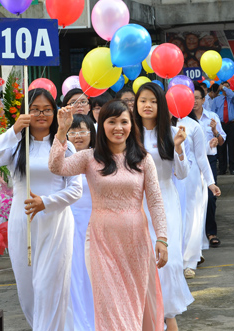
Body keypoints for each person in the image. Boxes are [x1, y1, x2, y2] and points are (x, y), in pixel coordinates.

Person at [49, 100, 168, 330]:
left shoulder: (144, 159)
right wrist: (61, 132)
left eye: (123, 122)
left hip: (136, 243)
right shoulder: (89, 158)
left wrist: (162, 238)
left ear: (131, 126)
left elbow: (155, 201)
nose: (118, 127)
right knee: (110, 306)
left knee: (133, 304)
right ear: (101, 125)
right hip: (101, 242)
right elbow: (57, 167)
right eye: (111, 122)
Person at [0, 88, 83, 330]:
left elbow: (75, 189)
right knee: (28, 294)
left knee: (50, 289)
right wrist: (14, 130)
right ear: (26, 112)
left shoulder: (65, 147)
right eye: (35, 109)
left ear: (55, 113)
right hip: (22, 224)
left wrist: (45, 202)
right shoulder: (16, 146)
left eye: (47, 110)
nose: (41, 114)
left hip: (55, 224)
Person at [134, 82, 193, 331]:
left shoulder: (171, 133)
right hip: (135, 203)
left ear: (161, 105)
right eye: (143, 100)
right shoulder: (127, 133)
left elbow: (181, 173)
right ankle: (145, 315)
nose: (147, 105)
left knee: (168, 263)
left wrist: (178, 147)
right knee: (141, 260)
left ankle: (169, 316)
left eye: (153, 101)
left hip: (166, 201)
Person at [174, 83, 221, 279]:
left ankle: (189, 261)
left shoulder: (194, 126)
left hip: (192, 177)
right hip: (171, 177)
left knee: (191, 217)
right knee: (174, 217)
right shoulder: (162, 125)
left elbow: (202, 157)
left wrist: (210, 182)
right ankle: (175, 259)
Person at [67, 114, 96, 330]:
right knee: (74, 273)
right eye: (73, 131)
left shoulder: (100, 158)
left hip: (95, 223)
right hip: (69, 224)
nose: (78, 136)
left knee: (94, 272)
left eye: (82, 131)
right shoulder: (63, 158)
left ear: (91, 133)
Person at [194, 85, 226, 249]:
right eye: (190, 99)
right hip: (191, 161)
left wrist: (215, 132)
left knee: (210, 196)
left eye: (197, 98)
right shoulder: (184, 119)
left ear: (203, 100)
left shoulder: (211, 117)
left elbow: (221, 141)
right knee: (193, 196)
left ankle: (211, 232)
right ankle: (195, 234)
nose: (194, 102)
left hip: (209, 160)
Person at [211, 81, 234, 175]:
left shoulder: (232, 98)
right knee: (221, 147)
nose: (224, 88)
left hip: (231, 124)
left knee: (232, 146)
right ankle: (222, 168)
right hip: (220, 125)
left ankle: (233, 168)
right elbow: (213, 113)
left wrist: (224, 88)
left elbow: (233, 95)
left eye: (227, 87)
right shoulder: (216, 100)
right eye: (223, 87)